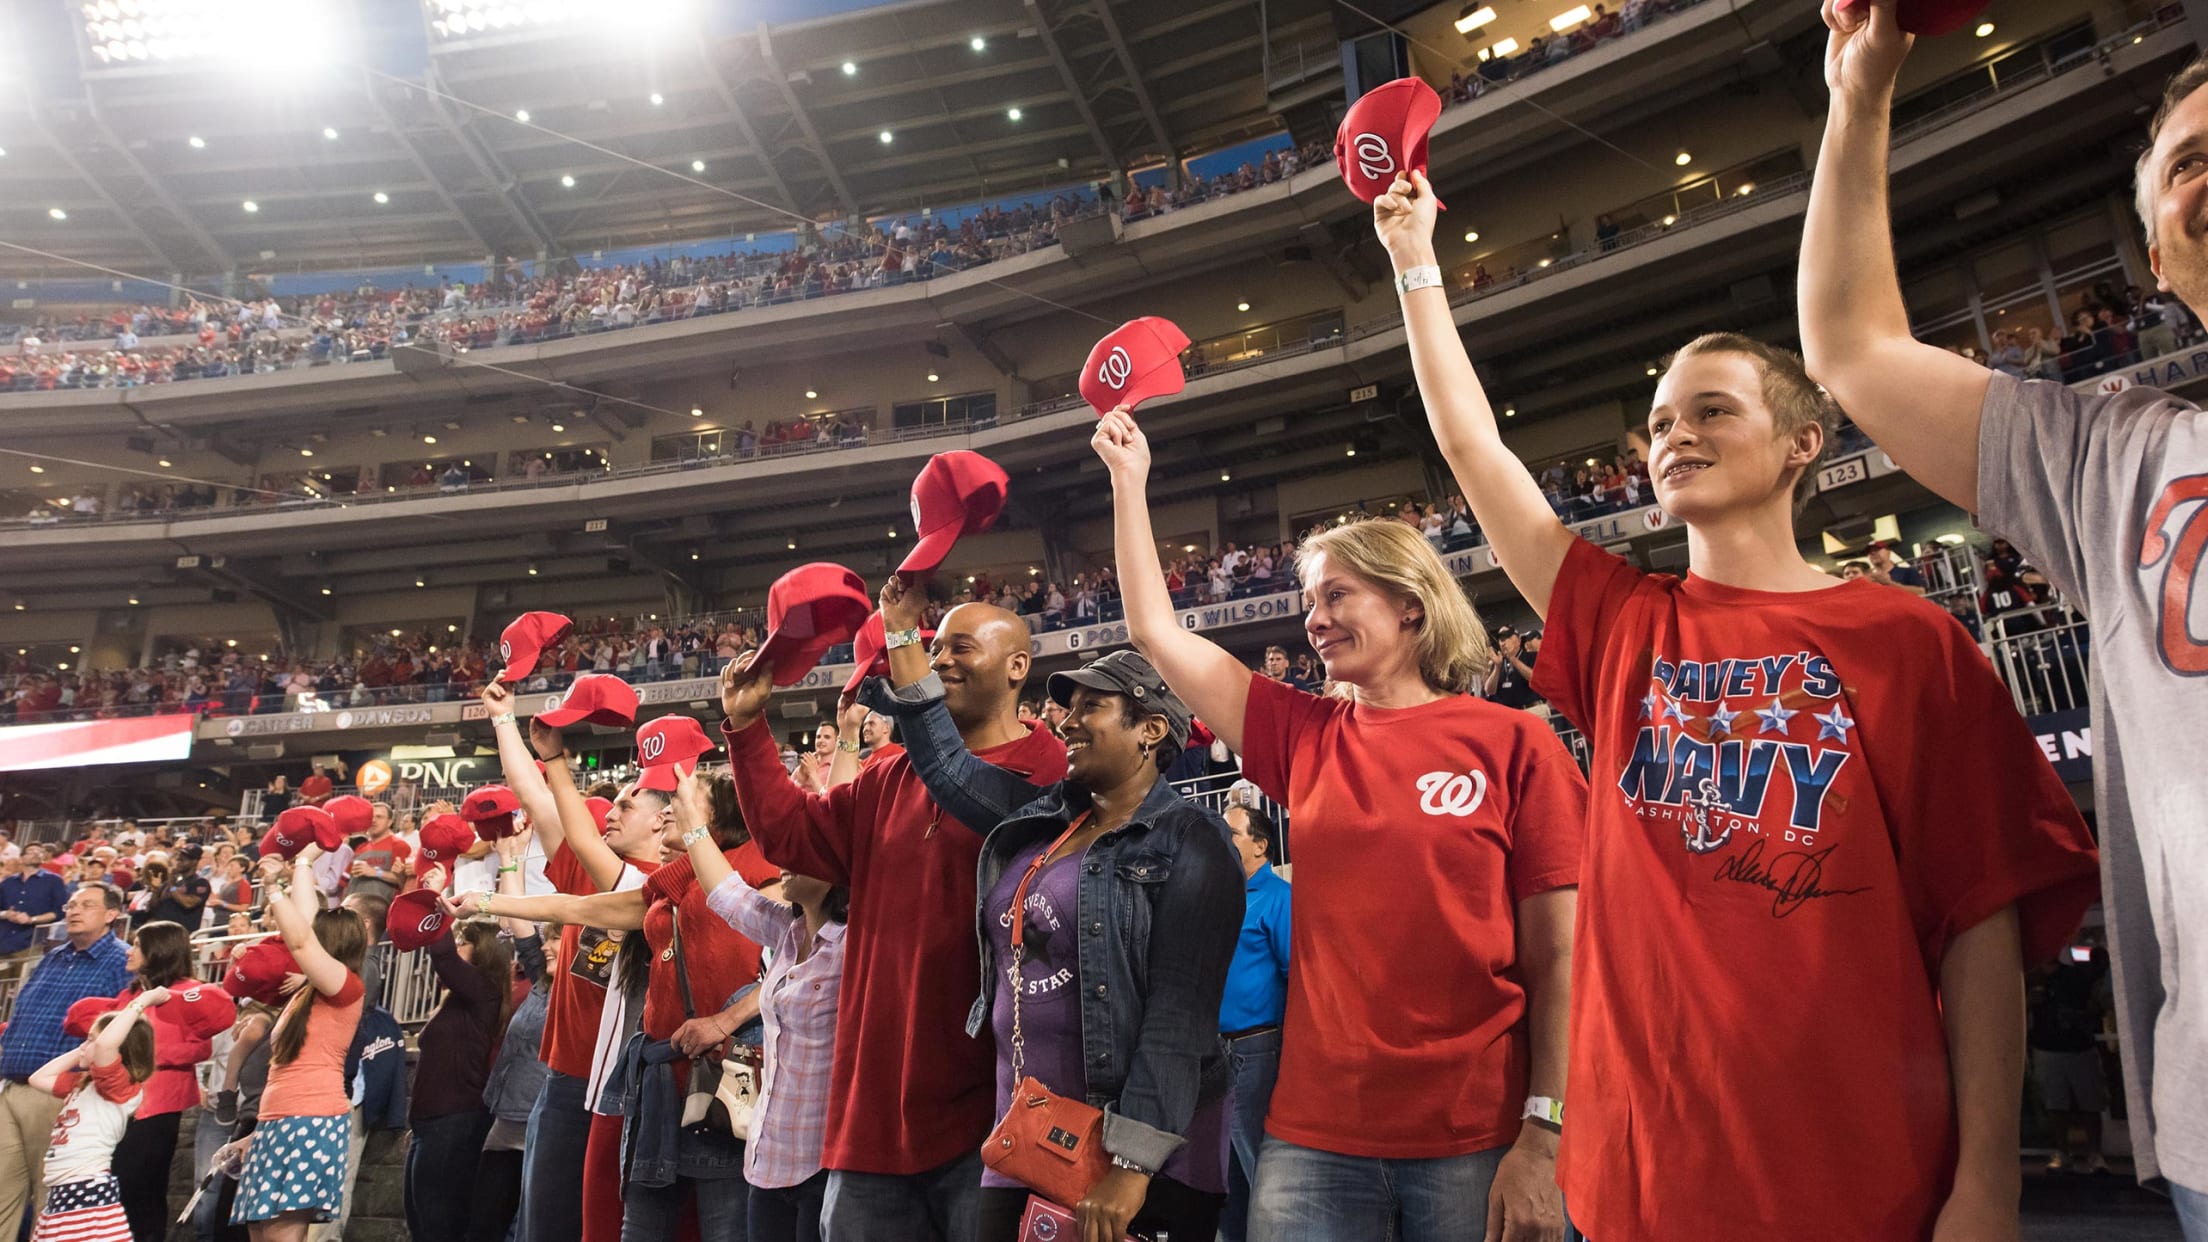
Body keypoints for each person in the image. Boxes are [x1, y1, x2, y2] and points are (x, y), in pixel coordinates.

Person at [1381, 139, 2103, 1239]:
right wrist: (1414, 265)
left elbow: (1982, 928)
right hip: (1644, 1175)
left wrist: (1989, 1182)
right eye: (1662, 422)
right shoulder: (1626, 621)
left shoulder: (1908, 640)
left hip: (1864, 1165)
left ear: (1802, 443)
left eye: (1711, 411)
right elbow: (1473, 449)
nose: (1675, 437)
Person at [1800, 5, 2208, 1222]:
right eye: (2186, 163)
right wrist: (1861, 90)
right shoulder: (2117, 457)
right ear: (2157, 257)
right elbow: (1853, 348)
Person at [1094, 404, 1584, 1242]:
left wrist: (1546, 1129)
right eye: (1308, 599)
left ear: (1411, 609)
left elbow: (1560, 953)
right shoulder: (1304, 733)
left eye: (1337, 595)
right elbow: (1155, 632)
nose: (1314, 618)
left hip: (1479, 1132)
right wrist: (1129, 483)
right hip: (1316, 1138)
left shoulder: (1515, 741)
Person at [863, 612, 1242, 1241]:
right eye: (1067, 708)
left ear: (1150, 728)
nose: (1065, 721)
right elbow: (945, 763)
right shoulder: (1041, 820)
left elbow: (1181, 1016)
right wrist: (902, 634)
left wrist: (1132, 1162)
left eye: (1091, 707)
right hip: (1023, 1139)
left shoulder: (1193, 842)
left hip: (1134, 1157)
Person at [717, 598, 1067, 1242]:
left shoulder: (1052, 777)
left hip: (990, 1114)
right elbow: (788, 832)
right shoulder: (888, 778)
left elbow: (967, 788)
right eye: (934, 651)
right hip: (872, 1116)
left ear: (1019, 665)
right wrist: (746, 726)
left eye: (962, 648)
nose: (941, 663)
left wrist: (900, 630)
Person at [459, 768, 775, 1242]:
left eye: (688, 798)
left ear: (722, 817)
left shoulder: (759, 868)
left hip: (721, 1078)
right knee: (639, 1226)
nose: (671, 806)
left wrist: (724, 1020)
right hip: (656, 1080)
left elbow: (795, 966)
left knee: (722, 1226)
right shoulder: (676, 877)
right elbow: (580, 908)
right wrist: (484, 900)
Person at [480, 680, 666, 1242]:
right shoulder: (593, 866)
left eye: (625, 805)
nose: (610, 814)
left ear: (661, 821)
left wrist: (556, 759)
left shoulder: (664, 887)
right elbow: (533, 798)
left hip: (625, 1086)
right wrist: (504, 720)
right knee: (546, 1225)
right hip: (563, 1080)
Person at [680, 771, 849, 1242]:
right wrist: (691, 818)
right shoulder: (786, 932)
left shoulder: (859, 946)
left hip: (826, 1166)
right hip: (767, 1160)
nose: (784, 858)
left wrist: (849, 742)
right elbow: (725, 893)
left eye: (802, 850)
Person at [223, 846, 370, 1241]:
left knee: (282, 1236)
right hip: (280, 1121)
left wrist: (273, 887)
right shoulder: (308, 993)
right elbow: (306, 926)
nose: (295, 940)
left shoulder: (345, 986)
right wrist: (303, 862)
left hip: (311, 1120)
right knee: (260, 1232)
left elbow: (303, 940)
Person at [0, 883, 133, 1240]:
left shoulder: (123, 960)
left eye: (86, 905)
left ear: (111, 914)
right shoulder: (52, 956)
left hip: (61, 1091)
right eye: (71, 905)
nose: (73, 911)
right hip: (11, 1085)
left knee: (50, 1196)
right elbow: (23, 1014)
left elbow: (123, 1027)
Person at [112, 920, 235, 1242]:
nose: (129, 950)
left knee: (140, 1196)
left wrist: (138, 1055)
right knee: (116, 1196)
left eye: (137, 944)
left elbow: (199, 1044)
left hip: (155, 1110)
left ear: (159, 950)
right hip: (113, 1108)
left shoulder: (187, 993)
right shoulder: (131, 994)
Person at [403, 890, 516, 1242]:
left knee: (440, 1225)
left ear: (481, 952)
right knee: (420, 1221)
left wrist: (438, 913)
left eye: (461, 943)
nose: (455, 948)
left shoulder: (485, 991)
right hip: (432, 1124)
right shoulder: (459, 1001)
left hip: (455, 1123)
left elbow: (444, 959)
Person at [27, 988, 165, 1242]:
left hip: (84, 1191)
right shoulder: (83, 1083)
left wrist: (142, 1002)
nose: (85, 1044)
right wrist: (81, 1052)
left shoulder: (118, 1085)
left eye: (90, 1039)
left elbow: (104, 1045)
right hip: (62, 1192)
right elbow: (38, 1078)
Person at [470, 833, 551, 1242]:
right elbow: (520, 923)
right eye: (548, 939)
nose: (548, 947)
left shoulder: (581, 989)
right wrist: (509, 856)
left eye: (557, 940)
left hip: (542, 1126)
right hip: (505, 1122)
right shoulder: (541, 980)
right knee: (484, 1225)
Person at [1218, 803, 1290, 1242]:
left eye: (1232, 834)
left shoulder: (1277, 899)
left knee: (1259, 1167)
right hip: (1217, 1054)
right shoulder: (1222, 898)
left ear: (1260, 845)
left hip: (1256, 1051)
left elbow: (1294, 975)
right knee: (1225, 1177)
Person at [345, 804, 408, 904]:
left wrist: (375, 872)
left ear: (389, 822)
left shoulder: (399, 845)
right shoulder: (360, 848)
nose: (373, 820)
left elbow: (404, 881)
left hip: (380, 910)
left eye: (379, 817)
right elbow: (346, 882)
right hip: (353, 908)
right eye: (371, 817)